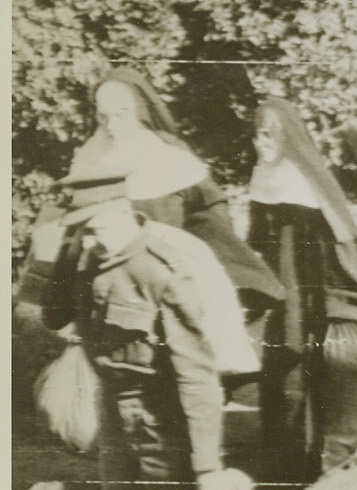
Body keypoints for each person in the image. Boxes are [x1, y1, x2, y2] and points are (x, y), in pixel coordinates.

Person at [42, 163, 246, 490]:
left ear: (121, 209)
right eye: (80, 228)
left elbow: (198, 374)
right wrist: (65, 252)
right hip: (117, 424)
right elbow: (53, 315)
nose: (88, 236)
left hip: (165, 431)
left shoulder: (161, 267)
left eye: (93, 225)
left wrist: (207, 468)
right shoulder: (87, 260)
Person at [248, 97, 357, 484]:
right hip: (280, 290)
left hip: (313, 294)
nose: (261, 143)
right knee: (277, 369)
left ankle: (312, 461)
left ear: (287, 136)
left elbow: (341, 245)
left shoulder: (306, 181)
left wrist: (338, 301)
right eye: (257, 134)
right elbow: (258, 238)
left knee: (310, 368)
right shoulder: (264, 174)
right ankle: (282, 458)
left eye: (269, 134)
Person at [88, 68, 284, 314]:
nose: (112, 125)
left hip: (175, 274)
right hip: (115, 281)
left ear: (141, 109)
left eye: (122, 113)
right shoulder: (94, 159)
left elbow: (211, 208)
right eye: (103, 116)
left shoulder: (169, 152)